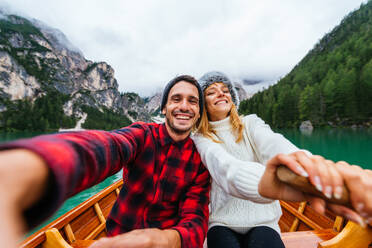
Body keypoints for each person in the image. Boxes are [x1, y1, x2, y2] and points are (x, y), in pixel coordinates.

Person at [0, 75, 211, 248]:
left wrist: (166, 239)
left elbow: (196, 218)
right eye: (176, 99)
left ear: (199, 112)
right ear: (164, 108)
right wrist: (39, 162)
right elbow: (110, 145)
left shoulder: (200, 159)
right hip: (116, 235)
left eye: (192, 101)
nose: (184, 106)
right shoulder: (142, 135)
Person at [192, 71, 367, 248]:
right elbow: (225, 167)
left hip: (263, 221)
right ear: (203, 104)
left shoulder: (251, 123)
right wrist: (269, 184)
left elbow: (274, 144)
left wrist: (306, 165)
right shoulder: (200, 138)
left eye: (225, 90)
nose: (221, 93)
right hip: (222, 223)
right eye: (211, 92)